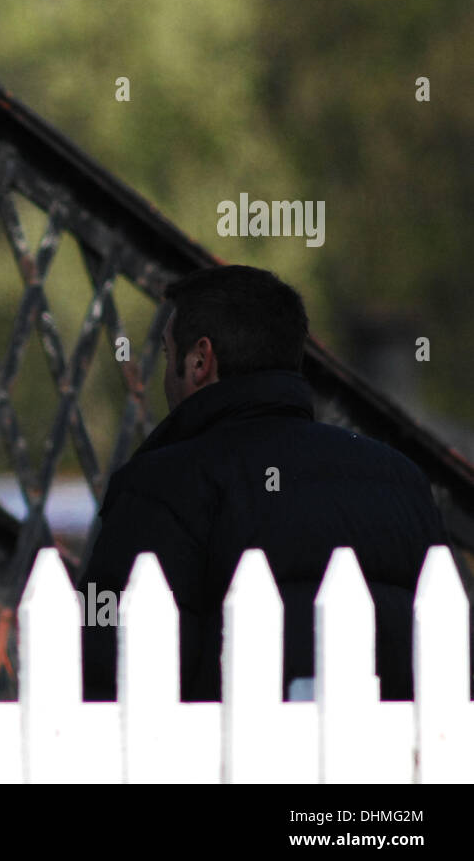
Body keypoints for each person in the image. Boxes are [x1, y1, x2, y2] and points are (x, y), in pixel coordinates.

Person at [78, 265, 448, 702]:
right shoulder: (401, 481)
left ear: (199, 361)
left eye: (166, 354)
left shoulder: (162, 487)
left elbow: (110, 675)